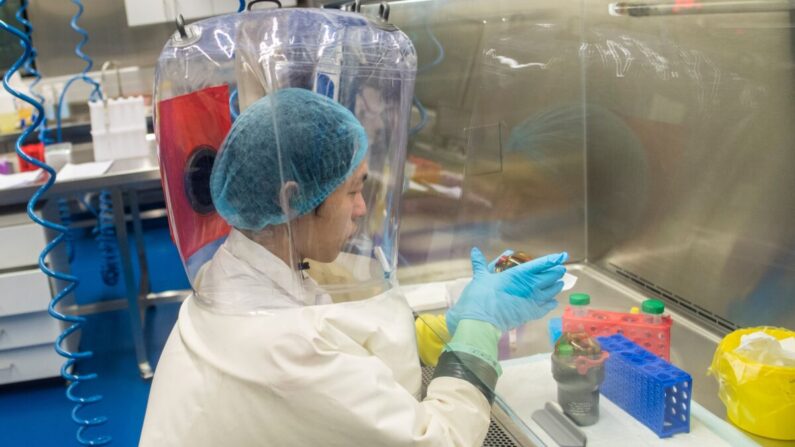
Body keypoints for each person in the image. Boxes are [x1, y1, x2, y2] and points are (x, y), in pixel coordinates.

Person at [140, 88, 566, 446]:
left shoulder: (237, 271)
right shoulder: (287, 347)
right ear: (291, 200)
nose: (362, 209)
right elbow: (440, 439)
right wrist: (479, 330)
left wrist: (432, 333)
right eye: (352, 191)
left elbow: (328, 326)